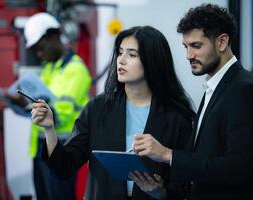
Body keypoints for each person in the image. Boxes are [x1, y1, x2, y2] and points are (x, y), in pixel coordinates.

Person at [31, 25, 194, 200]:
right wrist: (49, 129)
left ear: (152, 61)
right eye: (120, 52)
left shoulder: (177, 116)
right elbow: (64, 168)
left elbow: (185, 185)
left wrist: (160, 192)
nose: (121, 60)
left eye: (132, 55)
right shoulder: (97, 108)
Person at [132, 4, 253, 200]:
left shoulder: (244, 89)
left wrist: (167, 154)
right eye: (186, 47)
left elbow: (238, 168)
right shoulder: (214, 88)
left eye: (196, 46)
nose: (189, 55)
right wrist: (162, 191)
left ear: (222, 42)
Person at [7, 12, 92, 200]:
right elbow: (40, 103)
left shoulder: (76, 70)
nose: (39, 53)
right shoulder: (49, 69)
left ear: (52, 37)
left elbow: (59, 114)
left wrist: (35, 107)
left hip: (62, 147)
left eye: (40, 48)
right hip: (41, 145)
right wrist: (22, 103)